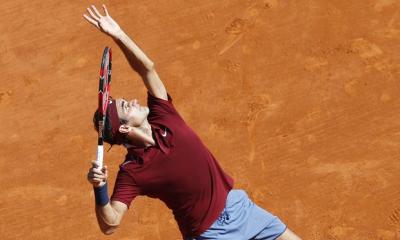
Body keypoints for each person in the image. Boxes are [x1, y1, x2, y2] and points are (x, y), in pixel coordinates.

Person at [84, 4, 302, 240]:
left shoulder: (163, 114)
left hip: (239, 208)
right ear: (125, 128)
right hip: (210, 235)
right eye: (127, 107)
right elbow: (110, 223)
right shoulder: (133, 171)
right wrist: (100, 189)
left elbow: (147, 70)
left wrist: (119, 34)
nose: (134, 101)